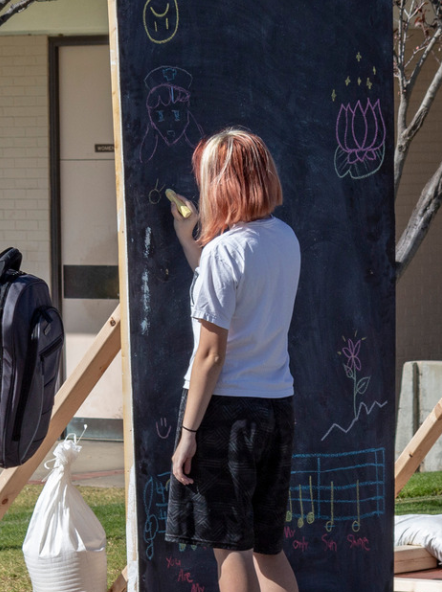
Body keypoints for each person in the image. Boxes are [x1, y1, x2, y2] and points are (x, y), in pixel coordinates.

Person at [164, 128, 301, 592]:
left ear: (220, 184)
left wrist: (188, 435)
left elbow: (210, 353)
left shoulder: (225, 251)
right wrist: (192, 243)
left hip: (226, 414)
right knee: (268, 547)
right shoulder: (284, 239)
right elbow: (233, 297)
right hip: (276, 408)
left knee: (230, 547)